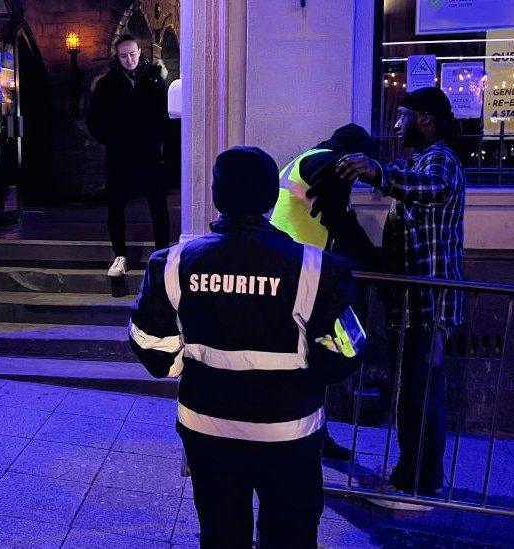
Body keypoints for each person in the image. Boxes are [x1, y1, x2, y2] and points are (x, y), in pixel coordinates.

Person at [130, 146, 366, 548]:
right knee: (289, 536)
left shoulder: (170, 263)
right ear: (271, 198)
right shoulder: (317, 267)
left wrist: (180, 366)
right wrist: (307, 376)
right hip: (289, 431)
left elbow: (150, 346)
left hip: (207, 427)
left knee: (221, 534)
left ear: (217, 196)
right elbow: (347, 349)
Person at [336, 86, 465, 511]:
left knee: (420, 395)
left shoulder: (440, 160)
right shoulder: (415, 160)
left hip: (428, 302)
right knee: (411, 393)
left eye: (403, 115)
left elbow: (429, 187)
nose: (396, 124)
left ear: (425, 118)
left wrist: (378, 172)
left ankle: (419, 483)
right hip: (409, 302)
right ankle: (412, 475)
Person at [269, 123, 378, 462]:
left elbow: (339, 220)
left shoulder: (308, 158)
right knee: (313, 356)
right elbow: (332, 194)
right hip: (295, 276)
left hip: (298, 272)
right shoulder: (323, 160)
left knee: (308, 358)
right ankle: (301, 435)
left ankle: (314, 433)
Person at [87, 34, 170, 277]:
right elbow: (94, 119)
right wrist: (112, 138)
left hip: (150, 154)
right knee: (115, 206)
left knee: (158, 206)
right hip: (120, 154)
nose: (129, 60)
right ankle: (119, 255)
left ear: (139, 52)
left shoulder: (155, 79)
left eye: (132, 54)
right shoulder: (107, 84)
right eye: (123, 56)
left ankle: (162, 254)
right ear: (117, 56)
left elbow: (166, 117)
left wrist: (160, 142)